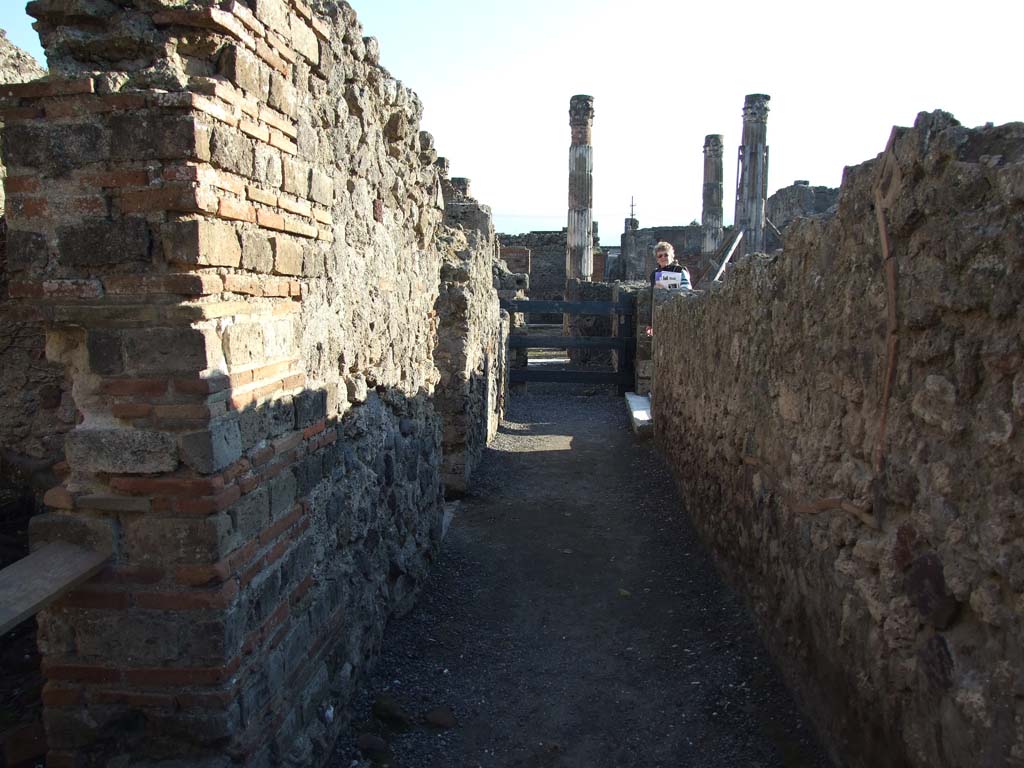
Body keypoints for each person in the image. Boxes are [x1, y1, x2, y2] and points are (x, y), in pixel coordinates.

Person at [646, 242, 691, 336]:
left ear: (672, 256)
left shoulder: (680, 271)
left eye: (666, 255)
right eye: (660, 256)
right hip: (659, 315)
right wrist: (650, 323)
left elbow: (686, 291)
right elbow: (652, 298)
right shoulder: (654, 274)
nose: (663, 257)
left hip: (677, 313)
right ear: (657, 260)